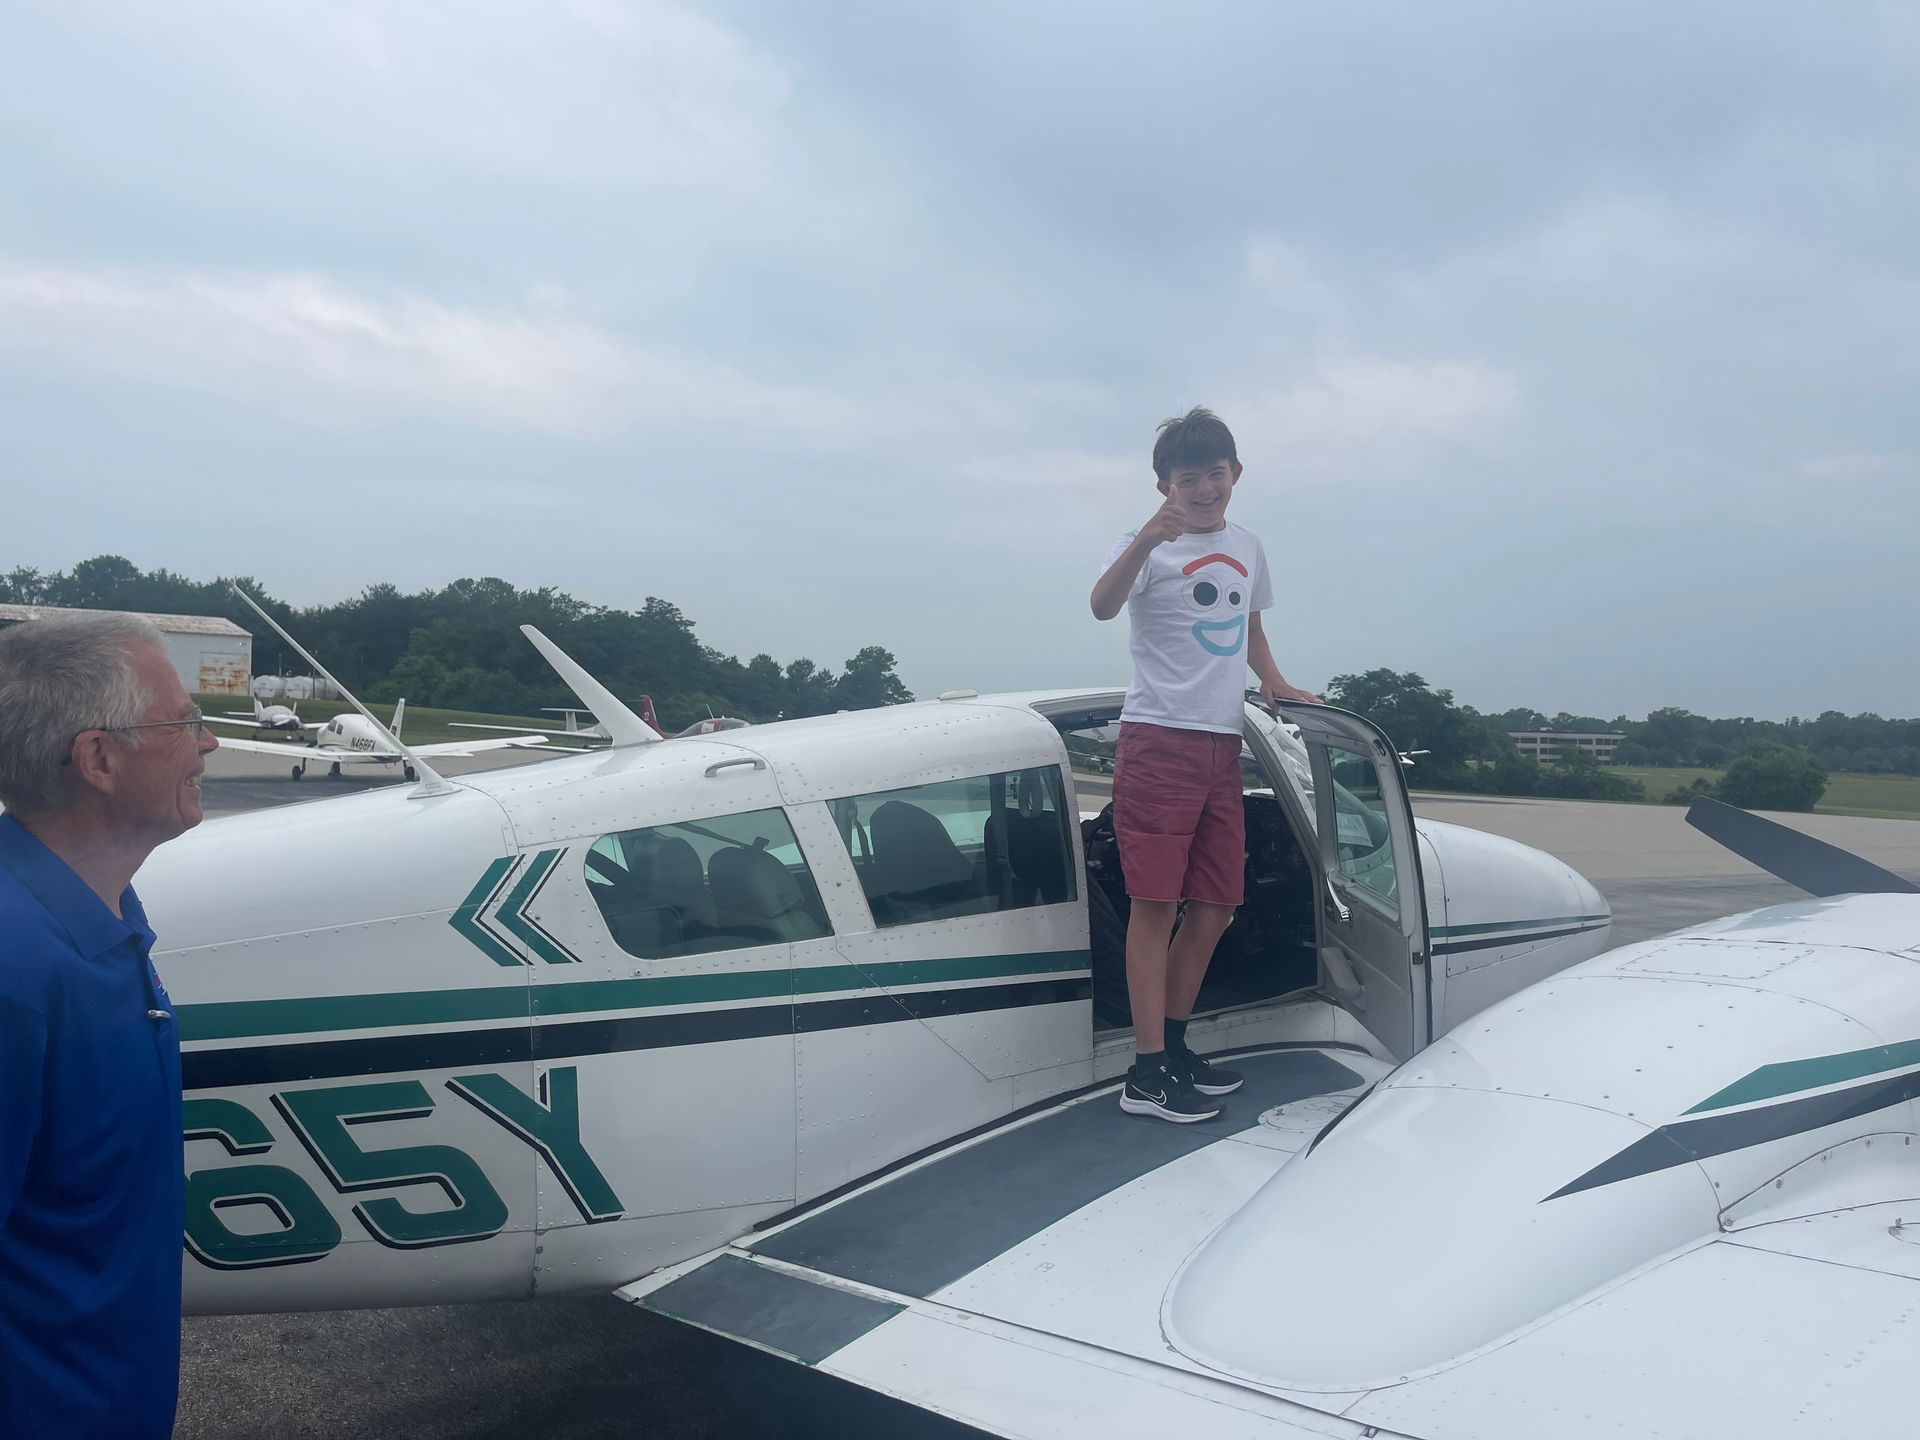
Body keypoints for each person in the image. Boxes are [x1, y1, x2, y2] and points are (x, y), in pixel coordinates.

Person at [0, 612, 219, 1438]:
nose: (208, 745)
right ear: (98, 759)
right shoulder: (14, 970)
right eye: (184, 723)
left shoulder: (109, 915)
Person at [1090, 407, 1319, 1123]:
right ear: (1164, 485)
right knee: (1155, 909)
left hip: (1224, 743)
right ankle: (1146, 1073)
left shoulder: (1247, 546)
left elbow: (1249, 622)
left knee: (1217, 906)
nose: (1204, 490)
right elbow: (1101, 607)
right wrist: (1145, 541)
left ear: (1236, 474)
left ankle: (1178, 1046)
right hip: (1158, 740)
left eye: (1215, 475)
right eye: (1188, 480)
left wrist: (1274, 679)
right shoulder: (1148, 544)